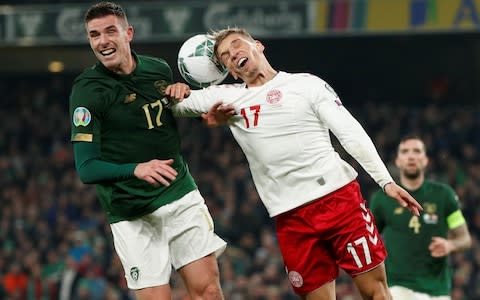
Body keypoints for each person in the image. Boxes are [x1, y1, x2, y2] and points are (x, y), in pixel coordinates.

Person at [169, 27, 423, 299]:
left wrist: (386, 182)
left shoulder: (306, 85)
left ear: (258, 45)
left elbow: (349, 132)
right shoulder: (229, 98)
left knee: (376, 292)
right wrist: (174, 90)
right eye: (226, 56)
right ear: (230, 71)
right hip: (291, 217)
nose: (234, 55)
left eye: (237, 45)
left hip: (339, 202)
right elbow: (169, 105)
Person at [68, 2, 228, 299]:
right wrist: (136, 169)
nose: (102, 41)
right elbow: (86, 168)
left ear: (128, 33)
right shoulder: (87, 91)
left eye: (110, 31)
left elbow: (166, 116)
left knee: (207, 290)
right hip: (131, 212)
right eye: (94, 35)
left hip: (179, 193)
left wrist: (185, 99)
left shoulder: (158, 69)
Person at [369, 135, 472, 300]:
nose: (411, 156)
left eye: (417, 151)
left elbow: (465, 239)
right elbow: (369, 241)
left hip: (436, 290)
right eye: (405, 151)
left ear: (425, 160)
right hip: (397, 288)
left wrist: (450, 245)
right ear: (398, 161)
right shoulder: (382, 199)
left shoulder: (444, 195)